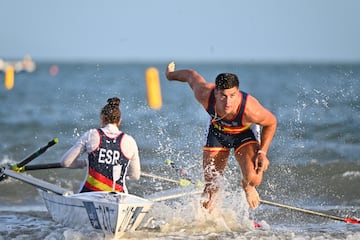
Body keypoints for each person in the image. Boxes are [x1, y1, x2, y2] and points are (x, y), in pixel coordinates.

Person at [165, 61, 277, 210]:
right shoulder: (204, 94)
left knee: (254, 179)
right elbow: (190, 76)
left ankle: (247, 186)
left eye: (232, 95)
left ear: (238, 92)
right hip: (217, 132)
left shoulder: (251, 109)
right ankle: (208, 227)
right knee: (211, 189)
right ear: (216, 93)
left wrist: (262, 152)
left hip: (243, 133)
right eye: (223, 96)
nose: (228, 102)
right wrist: (169, 75)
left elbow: (271, 122)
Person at [60, 97, 141, 193]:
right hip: (119, 198)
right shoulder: (129, 141)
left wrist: (84, 163)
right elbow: (135, 176)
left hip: (90, 194)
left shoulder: (91, 135)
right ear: (119, 120)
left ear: (102, 118)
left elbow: (65, 162)